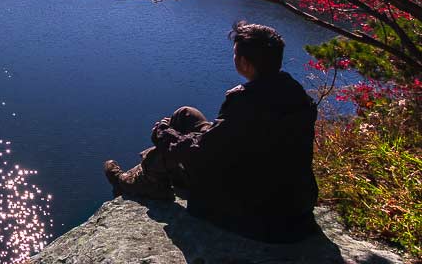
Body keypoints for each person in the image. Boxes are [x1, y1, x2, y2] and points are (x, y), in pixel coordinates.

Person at [103, 21, 320, 243]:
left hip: (254, 215)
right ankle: (155, 172)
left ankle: (136, 181)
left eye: (236, 54)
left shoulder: (245, 101)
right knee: (186, 115)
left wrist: (162, 134)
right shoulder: (297, 95)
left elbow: (199, 153)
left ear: (244, 62)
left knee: (167, 145)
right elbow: (229, 139)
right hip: (295, 205)